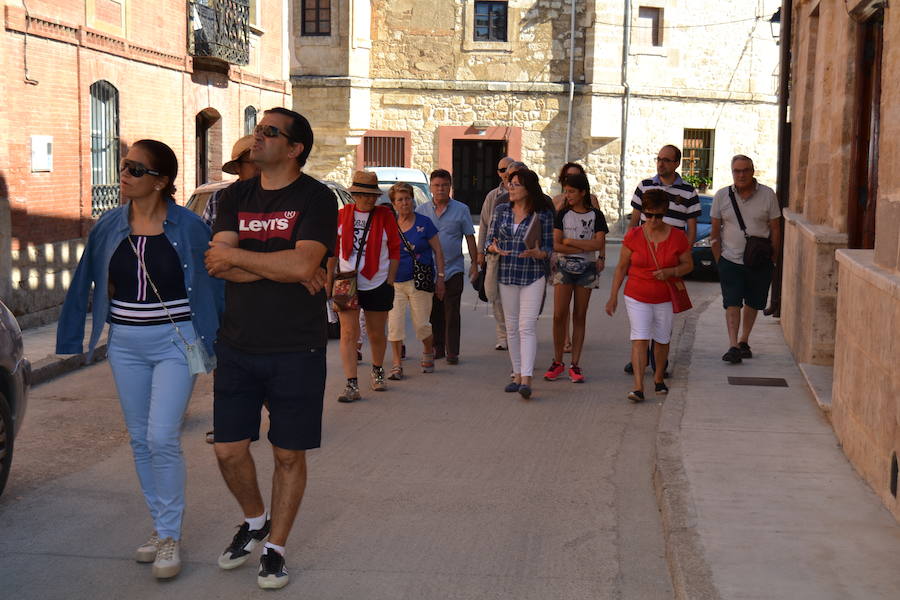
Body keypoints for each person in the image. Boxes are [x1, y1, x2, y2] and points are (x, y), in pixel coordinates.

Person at [57, 139, 223, 580]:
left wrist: (223, 341)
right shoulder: (109, 225)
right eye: (124, 166)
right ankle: (160, 526)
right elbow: (85, 282)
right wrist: (74, 335)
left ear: (161, 181)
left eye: (135, 169)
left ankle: (170, 536)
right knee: (139, 439)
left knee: (162, 436)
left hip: (176, 341)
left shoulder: (189, 227)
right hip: (126, 343)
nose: (124, 174)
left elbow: (214, 287)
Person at [204, 108, 336, 590]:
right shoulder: (234, 195)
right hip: (238, 343)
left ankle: (275, 548)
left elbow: (304, 267)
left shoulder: (316, 198)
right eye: (257, 130)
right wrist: (281, 266)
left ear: (295, 148)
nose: (256, 137)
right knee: (227, 450)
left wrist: (282, 265)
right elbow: (217, 264)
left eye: (268, 132)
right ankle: (254, 519)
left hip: (295, 348)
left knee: (287, 454)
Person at [606, 189, 693, 403]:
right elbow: (621, 267)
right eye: (649, 215)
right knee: (640, 337)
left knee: (662, 338)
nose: (653, 220)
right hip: (636, 294)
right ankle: (638, 387)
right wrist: (613, 295)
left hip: (664, 296)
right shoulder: (633, 236)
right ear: (643, 212)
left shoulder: (677, 237)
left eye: (659, 215)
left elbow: (688, 265)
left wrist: (670, 272)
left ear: (665, 212)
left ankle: (658, 378)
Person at [624, 145, 701, 375]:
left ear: (677, 163)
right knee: (642, 312)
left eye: (667, 160)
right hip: (645, 255)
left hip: (670, 259)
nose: (661, 163)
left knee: (663, 316)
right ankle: (642, 358)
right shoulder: (644, 186)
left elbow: (692, 228)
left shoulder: (688, 191)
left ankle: (659, 363)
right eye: (659, 159)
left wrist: (682, 258)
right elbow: (635, 221)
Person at [203, 134, 260, 444]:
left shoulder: (283, 199)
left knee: (266, 360)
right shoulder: (220, 199)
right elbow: (213, 253)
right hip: (228, 295)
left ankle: (279, 412)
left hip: (270, 300)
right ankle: (229, 423)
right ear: (239, 167)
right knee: (226, 363)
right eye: (253, 162)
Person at [328, 171, 400, 400]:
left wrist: (389, 280)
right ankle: (351, 384)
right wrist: (330, 282)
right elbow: (333, 251)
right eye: (364, 195)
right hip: (347, 281)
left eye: (373, 195)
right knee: (348, 333)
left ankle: (377, 370)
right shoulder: (342, 215)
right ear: (355, 194)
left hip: (377, 280)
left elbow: (396, 251)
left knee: (376, 333)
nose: (370, 200)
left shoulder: (385, 216)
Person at [485, 168, 554, 399]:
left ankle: (527, 378)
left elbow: (549, 248)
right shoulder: (501, 209)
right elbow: (489, 240)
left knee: (527, 327)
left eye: (516, 184)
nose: (511, 188)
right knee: (512, 327)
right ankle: (515, 374)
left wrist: (539, 252)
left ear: (529, 189)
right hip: (507, 273)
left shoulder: (542, 213)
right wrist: (492, 248)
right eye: (510, 184)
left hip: (532, 275)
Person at [710, 155, 781, 363]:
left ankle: (744, 340)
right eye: (737, 171)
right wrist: (719, 261)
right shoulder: (722, 196)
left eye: (745, 170)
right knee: (731, 302)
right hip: (730, 260)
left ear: (752, 171)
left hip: (759, 260)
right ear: (732, 173)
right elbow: (715, 230)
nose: (741, 175)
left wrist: (773, 259)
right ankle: (732, 345)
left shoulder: (768, 195)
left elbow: (775, 228)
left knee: (754, 302)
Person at [543, 172, 608, 383]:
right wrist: (581, 246)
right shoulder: (561, 214)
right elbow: (556, 244)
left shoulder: (596, 216)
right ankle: (558, 360)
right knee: (559, 315)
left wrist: (570, 242)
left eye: (571, 191)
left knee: (580, 315)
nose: (567, 195)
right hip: (563, 268)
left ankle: (575, 364)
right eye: (565, 191)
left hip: (587, 270)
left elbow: (598, 244)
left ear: (582, 192)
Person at [416, 169, 479, 364]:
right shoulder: (421, 211)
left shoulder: (461, 209)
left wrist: (475, 264)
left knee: (452, 310)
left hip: (454, 268)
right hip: (429, 269)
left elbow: (470, 236)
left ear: (450, 187)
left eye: (444, 185)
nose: (440, 189)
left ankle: (453, 352)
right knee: (434, 311)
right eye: (436, 185)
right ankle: (438, 347)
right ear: (431, 188)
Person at [386, 182, 446, 379]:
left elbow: (438, 251)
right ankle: (396, 363)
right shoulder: (390, 225)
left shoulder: (424, 222)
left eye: (407, 198)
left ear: (413, 200)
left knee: (422, 325)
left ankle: (428, 350)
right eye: (400, 200)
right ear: (393, 204)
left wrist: (440, 278)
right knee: (395, 325)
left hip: (419, 281)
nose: (405, 203)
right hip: (395, 282)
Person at [550, 162, 601, 353]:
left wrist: (600, 256)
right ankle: (564, 341)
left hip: (586, 263)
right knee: (560, 311)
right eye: (567, 180)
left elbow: (598, 239)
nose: (569, 189)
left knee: (579, 312)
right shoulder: (558, 202)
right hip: (562, 259)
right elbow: (555, 238)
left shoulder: (593, 204)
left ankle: (574, 358)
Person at [477, 156, 515, 350]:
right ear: (498, 173)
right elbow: (484, 224)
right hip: (495, 255)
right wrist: (480, 253)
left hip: (518, 256)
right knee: (496, 296)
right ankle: (503, 336)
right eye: (502, 170)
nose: (506, 173)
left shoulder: (529, 193)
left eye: (509, 168)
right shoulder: (493, 196)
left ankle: (516, 334)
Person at [201, 135, 259, 228]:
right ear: (237, 167)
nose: (261, 167)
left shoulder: (280, 197)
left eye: (266, 161)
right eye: (255, 161)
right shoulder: (218, 199)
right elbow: (205, 237)